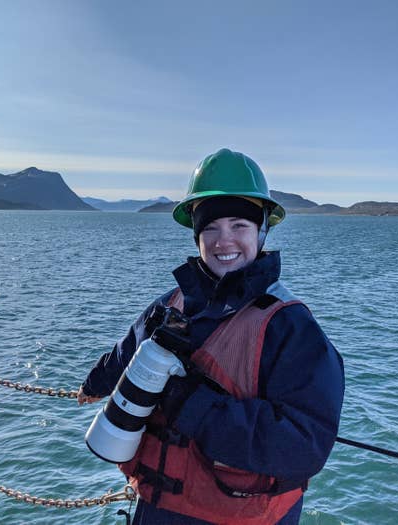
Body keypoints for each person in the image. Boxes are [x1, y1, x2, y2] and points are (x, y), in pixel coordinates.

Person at [78, 148, 344, 524]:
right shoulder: (171, 304)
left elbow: (305, 444)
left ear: (261, 230)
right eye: (211, 228)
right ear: (196, 235)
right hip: (158, 509)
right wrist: (97, 381)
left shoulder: (291, 326)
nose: (224, 241)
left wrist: (190, 405)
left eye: (239, 226)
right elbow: (131, 347)